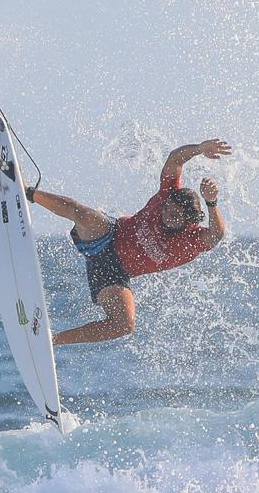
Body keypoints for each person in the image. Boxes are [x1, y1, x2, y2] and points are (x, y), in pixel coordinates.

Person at [26, 138, 233, 345]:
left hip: (114, 272)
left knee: (124, 325)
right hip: (107, 236)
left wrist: (211, 203)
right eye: (167, 209)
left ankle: (49, 340)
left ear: (189, 221)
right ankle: (28, 193)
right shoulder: (166, 193)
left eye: (175, 215)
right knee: (85, 214)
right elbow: (175, 160)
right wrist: (199, 149)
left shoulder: (192, 239)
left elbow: (216, 236)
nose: (167, 215)